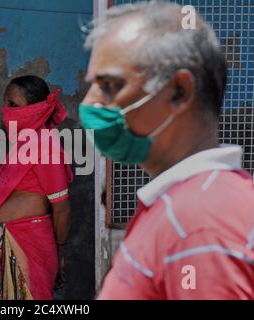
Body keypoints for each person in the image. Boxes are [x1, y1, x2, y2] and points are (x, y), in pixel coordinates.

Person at [79, 1, 254, 299]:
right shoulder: (189, 207)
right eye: (93, 85)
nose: (89, 104)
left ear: (179, 91)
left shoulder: (198, 226)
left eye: (110, 85)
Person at [0, 75, 73, 300]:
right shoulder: (24, 144)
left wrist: (60, 253)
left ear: (36, 109)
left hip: (25, 243)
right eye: (6, 103)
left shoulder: (46, 147)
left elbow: (62, 209)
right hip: (2, 243)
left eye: (14, 105)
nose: (6, 110)